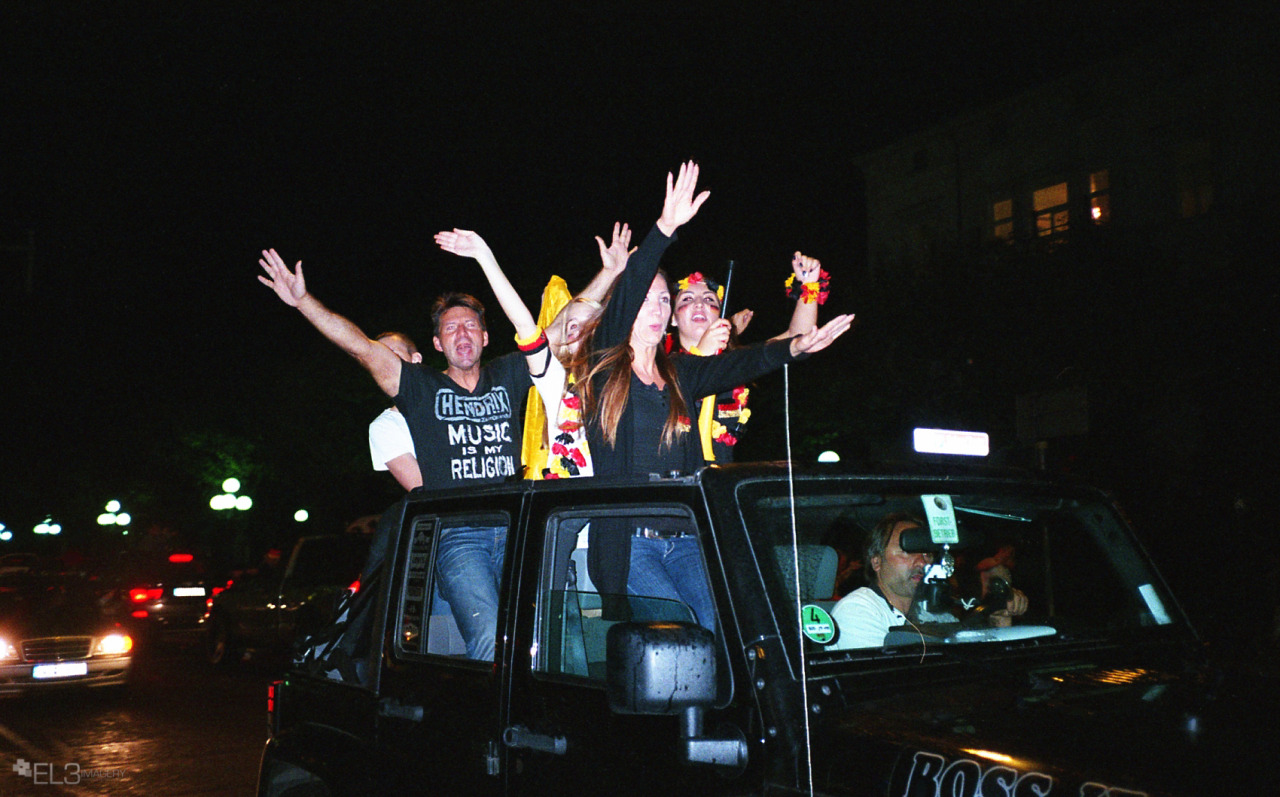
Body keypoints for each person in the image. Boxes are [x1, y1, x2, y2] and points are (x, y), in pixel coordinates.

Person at [568, 161, 856, 629]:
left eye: (666, 300)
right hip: (630, 544)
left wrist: (798, 346)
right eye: (650, 298)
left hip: (687, 536)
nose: (659, 309)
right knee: (681, 637)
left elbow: (746, 361)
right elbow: (623, 300)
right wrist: (663, 229)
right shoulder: (604, 366)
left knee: (726, 627)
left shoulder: (680, 372)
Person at [257, 255, 532, 661]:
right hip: (459, 535)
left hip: (517, 526)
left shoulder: (508, 374)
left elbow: (562, 332)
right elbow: (360, 347)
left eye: (471, 325)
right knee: (489, 637)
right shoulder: (420, 391)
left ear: (486, 337)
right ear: (438, 344)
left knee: (536, 638)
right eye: (450, 327)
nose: (462, 333)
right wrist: (303, 301)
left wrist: (615, 272)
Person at [669, 251, 828, 462]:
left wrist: (809, 284)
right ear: (672, 318)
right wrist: (701, 355)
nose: (700, 304)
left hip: (719, 486)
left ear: (720, 314)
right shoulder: (658, 369)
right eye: (687, 298)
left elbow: (798, 339)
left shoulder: (737, 361)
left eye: (709, 299)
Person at [830, 513, 1029, 649]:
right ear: (876, 561)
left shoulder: (933, 612)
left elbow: (976, 661)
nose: (922, 562)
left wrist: (1000, 617)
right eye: (908, 551)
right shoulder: (859, 609)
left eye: (927, 553)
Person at [367, 332, 424, 491]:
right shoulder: (384, 427)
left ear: (416, 359)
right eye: (378, 359)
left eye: (393, 354)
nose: (386, 362)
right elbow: (422, 488)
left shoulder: (453, 396)